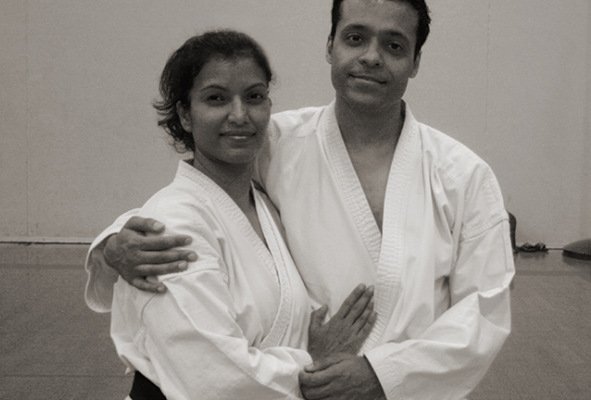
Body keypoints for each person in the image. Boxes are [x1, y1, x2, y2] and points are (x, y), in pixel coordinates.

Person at [86, 1, 515, 399]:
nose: (371, 57)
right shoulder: (275, 143)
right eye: (355, 38)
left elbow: (484, 312)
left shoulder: (464, 177)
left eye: (394, 45)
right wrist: (115, 243)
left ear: (416, 61)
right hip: (293, 385)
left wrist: (383, 374)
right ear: (330, 46)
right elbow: (199, 197)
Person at [101, 30, 378, 400]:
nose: (239, 115)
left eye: (254, 96)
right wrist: (315, 361)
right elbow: (212, 380)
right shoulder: (169, 229)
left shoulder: (264, 201)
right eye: (216, 98)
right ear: (184, 114)